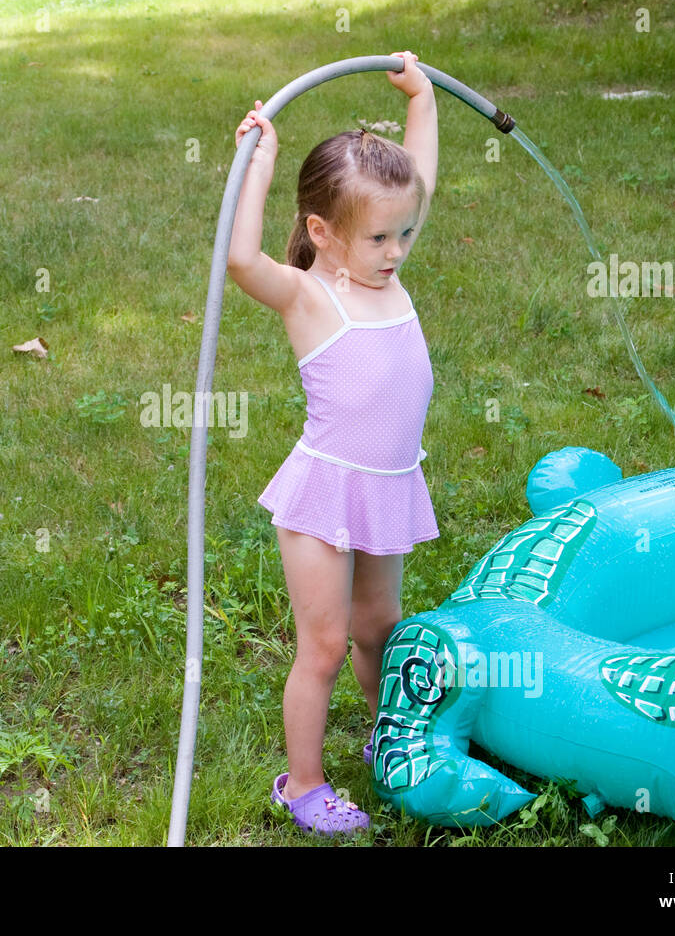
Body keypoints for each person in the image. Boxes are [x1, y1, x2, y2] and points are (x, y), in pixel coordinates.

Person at [227, 50, 439, 835]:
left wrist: (421, 99)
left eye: (405, 234)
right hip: (326, 495)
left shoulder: (387, 266)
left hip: (387, 484)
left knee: (378, 628)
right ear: (322, 231)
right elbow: (242, 259)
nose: (397, 250)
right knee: (320, 645)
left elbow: (416, 173)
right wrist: (262, 161)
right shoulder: (311, 296)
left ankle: (394, 741)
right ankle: (305, 783)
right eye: (382, 238)